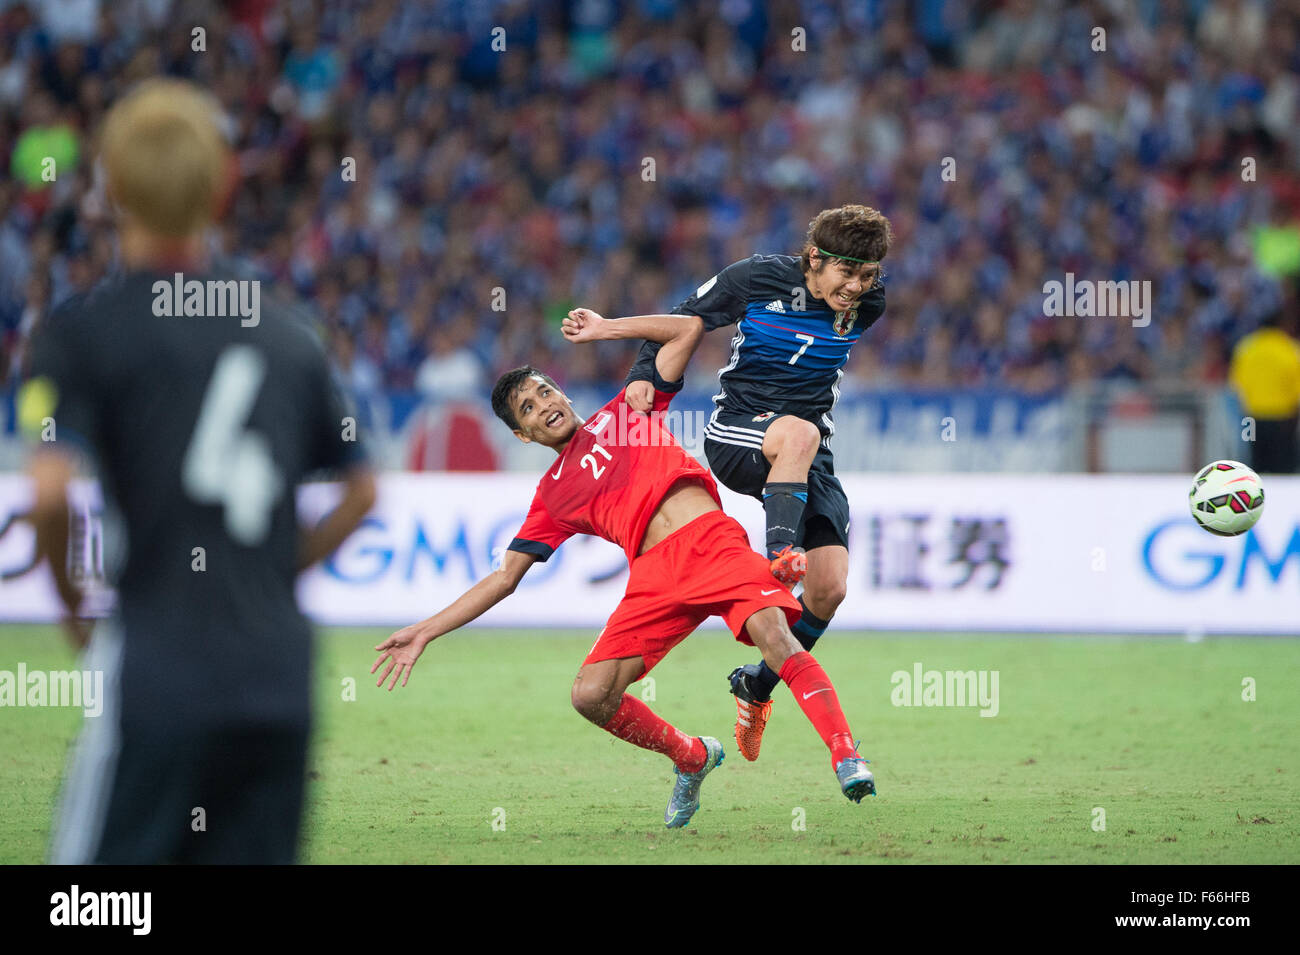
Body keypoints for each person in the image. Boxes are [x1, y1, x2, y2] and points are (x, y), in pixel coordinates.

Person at [21, 79, 376, 863]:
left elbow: (48, 493)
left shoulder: (82, 333)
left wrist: (77, 604)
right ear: (223, 188)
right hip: (279, 673)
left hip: (158, 664)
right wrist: (277, 567)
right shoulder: (287, 334)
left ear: (109, 189)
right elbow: (363, 488)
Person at [371, 308, 875, 829]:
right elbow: (505, 578)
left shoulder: (627, 407)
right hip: (653, 577)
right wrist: (426, 631)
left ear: (562, 393)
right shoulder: (551, 497)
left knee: (777, 637)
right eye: (527, 407)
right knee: (590, 695)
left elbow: (688, 329)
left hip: (711, 544)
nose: (542, 405)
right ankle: (692, 756)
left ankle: (845, 754)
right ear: (522, 434)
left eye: (545, 392)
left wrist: (606, 328)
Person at [607, 204, 892, 761]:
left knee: (829, 589)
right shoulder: (754, 278)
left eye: (868, 275)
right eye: (847, 273)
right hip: (737, 434)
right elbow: (685, 319)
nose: (857, 287)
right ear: (814, 258)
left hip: (808, 455)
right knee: (798, 435)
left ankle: (756, 686)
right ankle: (779, 552)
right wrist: (644, 376)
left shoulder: (868, 305)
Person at [1229, 310, 1300, 473]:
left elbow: (1236, 384)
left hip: (1252, 418)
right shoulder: (1289, 348)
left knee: (1255, 461)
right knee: (1283, 464)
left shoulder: (1246, 348)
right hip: (1283, 418)